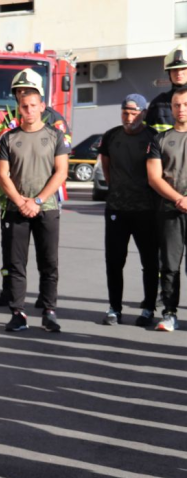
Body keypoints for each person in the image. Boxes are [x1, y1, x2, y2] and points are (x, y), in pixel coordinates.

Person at [0, 69, 71, 308]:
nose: (26, 106)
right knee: (14, 263)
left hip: (45, 207)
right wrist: (20, 202)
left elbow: (61, 170)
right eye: (20, 97)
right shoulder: (8, 131)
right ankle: (16, 308)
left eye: (30, 99)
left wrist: (36, 201)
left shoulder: (55, 129)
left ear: (40, 102)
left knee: (48, 263)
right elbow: (3, 173)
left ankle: (48, 309)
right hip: (16, 207)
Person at [98, 94, 160, 326]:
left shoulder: (153, 137)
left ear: (143, 112)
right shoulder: (112, 135)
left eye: (134, 112)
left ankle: (148, 309)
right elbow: (106, 164)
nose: (129, 116)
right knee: (114, 261)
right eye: (125, 112)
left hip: (147, 210)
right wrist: (116, 187)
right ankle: (114, 308)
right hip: (117, 209)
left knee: (150, 262)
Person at [145, 85, 187, 332]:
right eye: (176, 105)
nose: (181, 109)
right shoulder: (160, 139)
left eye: (185, 104)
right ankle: (170, 313)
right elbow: (154, 178)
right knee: (170, 265)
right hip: (170, 211)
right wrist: (180, 199)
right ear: (170, 108)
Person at [145, 45, 187, 133]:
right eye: (174, 70)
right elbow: (145, 136)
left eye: (183, 68)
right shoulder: (158, 104)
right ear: (169, 73)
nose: (179, 73)